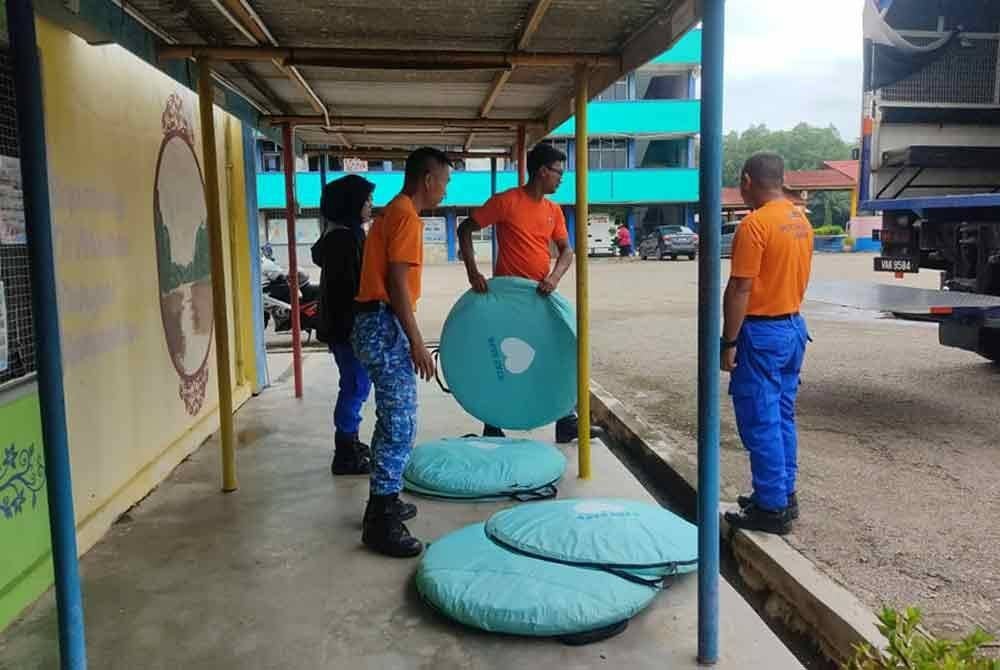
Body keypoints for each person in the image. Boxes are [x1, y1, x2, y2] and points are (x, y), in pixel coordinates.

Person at [352, 147, 452, 558]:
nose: (446, 189)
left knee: (393, 416)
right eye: (444, 181)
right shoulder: (407, 216)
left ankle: (387, 498)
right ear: (428, 179)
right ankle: (379, 520)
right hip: (383, 322)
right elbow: (396, 285)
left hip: (373, 321)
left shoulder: (393, 210)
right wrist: (416, 342)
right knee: (400, 420)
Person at [458, 143, 593, 444]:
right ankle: (492, 423)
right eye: (559, 172)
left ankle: (566, 421)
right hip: (507, 300)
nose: (561, 178)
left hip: (540, 298)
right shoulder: (506, 201)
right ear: (542, 171)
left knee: (559, 354)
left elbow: (567, 251)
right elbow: (464, 229)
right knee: (500, 361)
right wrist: (472, 272)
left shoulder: (553, 210)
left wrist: (555, 277)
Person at [721, 152, 813, 535]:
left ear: (746, 181)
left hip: (761, 333)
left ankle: (771, 509)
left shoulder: (755, 225)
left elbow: (741, 287)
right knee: (781, 416)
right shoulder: (799, 220)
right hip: (793, 328)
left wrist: (728, 341)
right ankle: (782, 494)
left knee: (760, 421)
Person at [311, 174, 375, 477]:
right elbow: (351, 288)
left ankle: (351, 440)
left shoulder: (348, 235)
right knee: (355, 384)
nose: (371, 205)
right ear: (352, 205)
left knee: (356, 383)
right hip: (346, 328)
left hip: (344, 327)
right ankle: (344, 450)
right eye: (367, 200)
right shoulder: (344, 241)